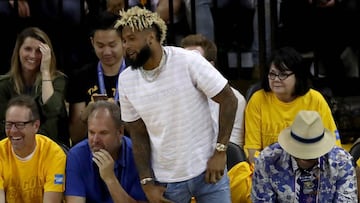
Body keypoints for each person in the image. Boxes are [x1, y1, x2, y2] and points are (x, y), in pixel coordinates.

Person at [115, 6, 238, 203]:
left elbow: (228, 99)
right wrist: (147, 183)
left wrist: (220, 151)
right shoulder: (126, 80)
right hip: (166, 180)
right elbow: (137, 133)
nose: (126, 46)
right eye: (123, 41)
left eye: (131, 39)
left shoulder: (188, 61)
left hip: (208, 169)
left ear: (151, 37)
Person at [244, 46, 342, 164]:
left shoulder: (315, 99)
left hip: (311, 169)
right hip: (269, 171)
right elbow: (252, 150)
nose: (276, 79)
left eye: (283, 74)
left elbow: (333, 145)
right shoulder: (258, 100)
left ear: (298, 76)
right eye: (272, 74)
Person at [252, 110, 357, 202]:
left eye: (311, 150)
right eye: (301, 148)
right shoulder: (267, 160)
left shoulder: (342, 162)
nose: (306, 156)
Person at [65, 101, 147, 203]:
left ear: (120, 132)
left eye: (103, 133)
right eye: (91, 132)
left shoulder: (137, 155)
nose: (95, 140)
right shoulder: (76, 156)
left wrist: (110, 179)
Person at [0, 26, 69, 146]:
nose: (33, 55)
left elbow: (52, 110)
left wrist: (46, 72)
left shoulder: (58, 80)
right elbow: (2, 126)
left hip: (50, 146)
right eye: (28, 49)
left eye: (39, 51)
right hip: (13, 146)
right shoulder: (4, 85)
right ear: (18, 51)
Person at [67, 11, 126, 145]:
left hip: (129, 148)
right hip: (92, 148)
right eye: (100, 46)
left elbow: (145, 131)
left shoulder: (137, 74)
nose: (106, 52)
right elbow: (75, 136)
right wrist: (86, 114)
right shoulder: (80, 77)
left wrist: (119, 114)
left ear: (124, 41)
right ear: (92, 42)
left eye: (112, 45)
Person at [181, 33, 246, 147]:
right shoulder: (173, 96)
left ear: (209, 66)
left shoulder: (235, 99)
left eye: (193, 63)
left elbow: (233, 148)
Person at [0, 94, 66, 203]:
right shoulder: (1, 152)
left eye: (20, 125)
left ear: (36, 126)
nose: (12, 131)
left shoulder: (54, 154)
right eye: (8, 124)